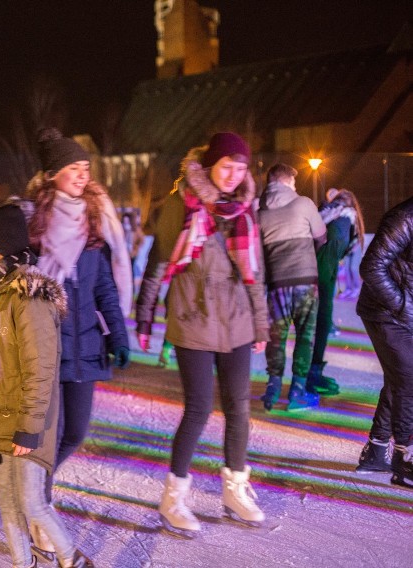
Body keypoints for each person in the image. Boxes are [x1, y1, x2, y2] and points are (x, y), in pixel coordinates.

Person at [135, 132, 269, 536]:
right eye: (226, 165)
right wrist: (144, 317)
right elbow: (159, 264)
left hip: (238, 323)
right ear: (210, 164)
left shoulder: (245, 211)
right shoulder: (181, 205)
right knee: (197, 410)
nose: (233, 174)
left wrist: (261, 324)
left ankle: (235, 489)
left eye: (241, 167)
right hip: (193, 320)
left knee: (239, 408)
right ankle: (173, 497)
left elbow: (254, 273)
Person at [0, 204, 93, 568]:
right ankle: (22, 563)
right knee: (7, 502)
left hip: (26, 421)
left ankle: (71, 558)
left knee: (33, 502)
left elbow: (41, 369)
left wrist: (29, 428)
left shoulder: (28, 296)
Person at [26, 128, 132, 508]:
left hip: (86, 345)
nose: (83, 174)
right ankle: (40, 502)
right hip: (46, 347)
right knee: (50, 436)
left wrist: (118, 337)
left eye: (86, 167)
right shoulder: (34, 223)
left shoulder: (91, 224)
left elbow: (104, 288)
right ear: (54, 173)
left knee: (75, 433)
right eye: (74, 166)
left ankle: (35, 489)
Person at [256, 163, 326, 411]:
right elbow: (321, 236)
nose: (296, 187)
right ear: (286, 181)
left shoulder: (259, 213)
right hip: (305, 282)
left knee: (277, 337)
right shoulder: (303, 204)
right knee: (305, 337)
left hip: (276, 284)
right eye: (293, 182)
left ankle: (273, 387)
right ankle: (297, 392)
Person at [355, 196, 413, 485]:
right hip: (384, 311)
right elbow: (371, 268)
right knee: (409, 377)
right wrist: (403, 306)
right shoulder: (405, 217)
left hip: (407, 312)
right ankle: (405, 461)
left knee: (399, 378)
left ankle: (377, 451)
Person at [308, 189, 365, 396]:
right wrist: (323, 286)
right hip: (319, 279)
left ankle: (310, 372)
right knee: (319, 324)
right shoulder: (342, 223)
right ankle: (309, 375)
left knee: (317, 325)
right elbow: (328, 254)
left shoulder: (333, 218)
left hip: (317, 276)